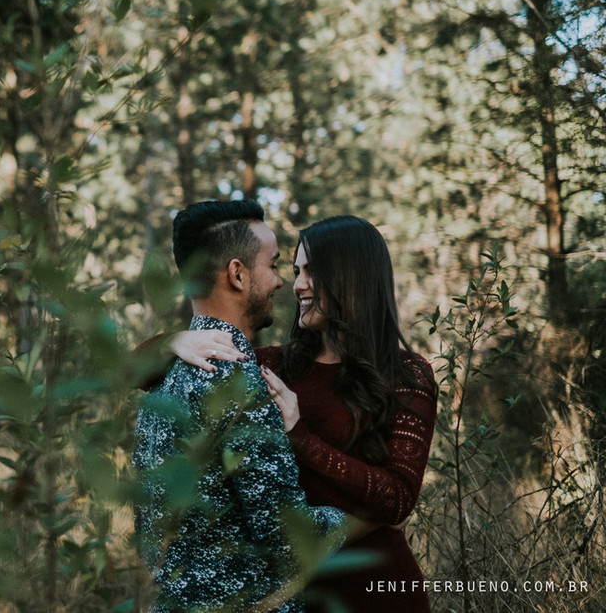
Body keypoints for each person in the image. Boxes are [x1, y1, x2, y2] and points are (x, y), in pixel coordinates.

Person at [155, 215, 438, 613]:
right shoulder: (275, 365)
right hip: (292, 593)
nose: (298, 284)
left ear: (351, 276)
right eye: (293, 270)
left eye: (311, 272)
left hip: (376, 589)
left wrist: (301, 437)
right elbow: (134, 373)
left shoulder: (407, 376)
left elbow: (398, 497)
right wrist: (176, 340)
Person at [132, 200, 355, 613]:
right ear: (237, 274)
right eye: (272, 266)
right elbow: (285, 531)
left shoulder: (163, 381)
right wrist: (348, 521)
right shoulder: (235, 378)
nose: (279, 283)